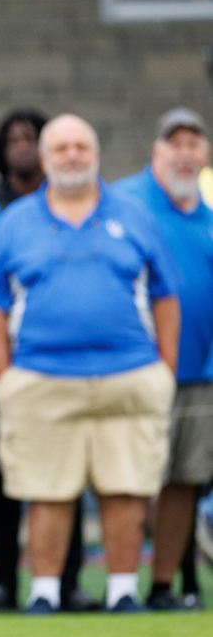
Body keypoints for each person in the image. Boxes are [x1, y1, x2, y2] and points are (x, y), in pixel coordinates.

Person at [0, 115, 179, 614]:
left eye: (81, 147)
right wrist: (6, 377)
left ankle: (123, 590)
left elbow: (166, 295)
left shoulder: (133, 215)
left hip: (129, 372)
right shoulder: (16, 219)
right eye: (61, 147)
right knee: (46, 491)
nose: (72, 155)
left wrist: (165, 368)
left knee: (126, 487)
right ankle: (44, 593)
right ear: (45, 159)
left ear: (95, 154)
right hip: (41, 375)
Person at [111, 107, 213, 611]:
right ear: (157, 151)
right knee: (130, 477)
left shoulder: (211, 213)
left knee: (183, 478)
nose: (185, 152)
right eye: (175, 143)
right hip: (134, 368)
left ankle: (163, 584)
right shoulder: (127, 201)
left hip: (198, 372)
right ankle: (119, 583)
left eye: (195, 143)